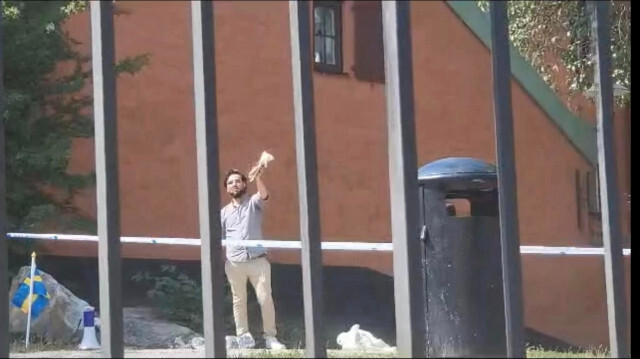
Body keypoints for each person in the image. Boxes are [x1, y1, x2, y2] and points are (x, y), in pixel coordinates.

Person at [220, 167, 286, 350]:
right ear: (227, 188)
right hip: (234, 263)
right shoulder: (224, 212)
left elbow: (264, 195)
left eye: (238, 181)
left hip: (258, 261)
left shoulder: (253, 202)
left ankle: (270, 338)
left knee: (265, 299)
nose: (235, 184)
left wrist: (258, 177)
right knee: (238, 300)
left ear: (244, 184)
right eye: (230, 182)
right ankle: (243, 336)